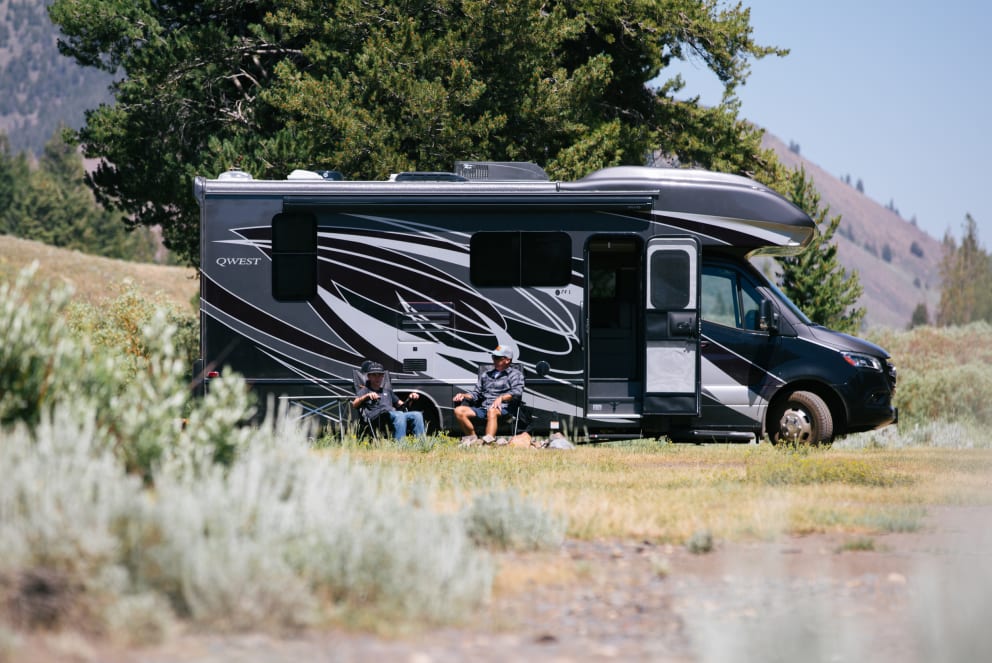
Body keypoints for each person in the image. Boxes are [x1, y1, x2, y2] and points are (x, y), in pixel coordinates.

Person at [453, 345, 524, 445]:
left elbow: (517, 392)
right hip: (484, 407)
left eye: (497, 358)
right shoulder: (486, 374)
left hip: (504, 409)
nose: (494, 360)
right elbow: (476, 393)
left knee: (492, 411)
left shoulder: (515, 374)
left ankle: (487, 443)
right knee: (459, 410)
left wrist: (501, 398)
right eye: (493, 357)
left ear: (507, 360)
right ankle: (474, 441)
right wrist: (464, 395)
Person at [352, 362, 425, 439]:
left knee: (417, 415)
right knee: (399, 414)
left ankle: (422, 445)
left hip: (393, 415)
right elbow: (354, 404)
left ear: (383, 376)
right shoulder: (365, 390)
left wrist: (410, 398)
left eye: (380, 375)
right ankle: (400, 446)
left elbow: (403, 405)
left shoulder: (387, 391)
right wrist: (366, 396)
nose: (377, 377)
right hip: (377, 418)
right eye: (374, 375)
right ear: (369, 377)